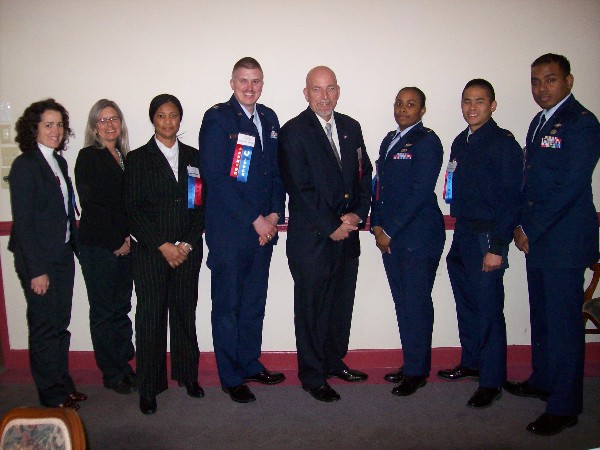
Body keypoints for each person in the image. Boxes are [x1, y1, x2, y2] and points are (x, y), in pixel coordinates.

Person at [507, 53, 600, 435]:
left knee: (563, 326)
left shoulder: (582, 124)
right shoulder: (538, 122)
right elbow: (531, 182)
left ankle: (564, 406)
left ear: (569, 81)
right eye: (535, 81)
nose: (541, 88)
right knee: (542, 318)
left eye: (550, 80)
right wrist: (520, 224)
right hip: (538, 239)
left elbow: (569, 188)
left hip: (562, 241)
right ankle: (544, 380)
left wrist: (532, 228)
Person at [279, 66, 373, 402]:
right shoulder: (293, 131)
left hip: (348, 235)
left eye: (330, 88)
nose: (324, 96)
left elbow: (365, 175)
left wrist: (358, 214)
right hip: (313, 239)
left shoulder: (351, 127)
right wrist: (332, 224)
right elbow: (299, 188)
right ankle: (312, 375)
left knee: (340, 306)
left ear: (338, 90)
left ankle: (334, 362)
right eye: (317, 90)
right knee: (312, 310)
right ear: (306, 93)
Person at [199, 57, 285, 403]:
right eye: (244, 81)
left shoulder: (269, 118)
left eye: (256, 82)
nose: (250, 88)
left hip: (263, 232)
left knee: (253, 303)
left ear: (262, 84)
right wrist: (256, 219)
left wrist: (276, 214)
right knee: (228, 307)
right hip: (230, 233)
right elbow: (217, 178)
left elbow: (276, 172)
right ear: (232, 83)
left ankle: (249, 363)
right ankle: (231, 377)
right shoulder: (218, 118)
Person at [438, 79, 523, 408]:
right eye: (467, 101)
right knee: (467, 304)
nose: (472, 107)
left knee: (488, 309)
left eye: (480, 101)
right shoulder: (461, 141)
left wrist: (497, 247)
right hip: (462, 232)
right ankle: (472, 362)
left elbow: (511, 200)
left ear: (493, 105)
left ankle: (491, 381)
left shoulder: (503, 144)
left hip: (487, 235)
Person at [124, 94, 205, 415]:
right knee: (150, 319)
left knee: (185, 313)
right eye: (161, 116)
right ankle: (149, 387)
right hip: (151, 253)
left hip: (186, 251)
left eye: (173, 116)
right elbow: (133, 210)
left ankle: (188, 376)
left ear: (180, 119)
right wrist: (163, 245)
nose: (168, 121)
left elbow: (198, 204)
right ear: (153, 119)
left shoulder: (193, 157)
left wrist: (185, 244)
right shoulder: (138, 158)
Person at [8, 99, 86, 410]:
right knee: (43, 327)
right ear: (34, 129)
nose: (56, 131)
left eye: (59, 125)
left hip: (62, 254)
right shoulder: (26, 165)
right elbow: (24, 224)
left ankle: (62, 383)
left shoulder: (58, 161)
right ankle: (52, 395)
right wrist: (36, 270)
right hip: (38, 260)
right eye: (48, 125)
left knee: (60, 324)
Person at [371, 87, 445, 396]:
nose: (403, 109)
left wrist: (390, 230)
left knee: (415, 303)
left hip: (418, 236)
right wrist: (376, 224)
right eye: (399, 103)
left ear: (422, 110)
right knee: (404, 304)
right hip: (391, 236)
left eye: (411, 104)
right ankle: (411, 361)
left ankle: (417, 372)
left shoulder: (428, 142)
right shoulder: (390, 140)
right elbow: (380, 187)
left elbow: (418, 193)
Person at [75, 99, 136, 395]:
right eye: (103, 120)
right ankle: (112, 373)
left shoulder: (124, 157)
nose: (110, 124)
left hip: (125, 245)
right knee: (104, 310)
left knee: (121, 308)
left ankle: (124, 365)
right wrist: (117, 242)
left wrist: (128, 240)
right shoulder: (89, 157)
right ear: (93, 126)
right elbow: (94, 205)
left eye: (114, 119)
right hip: (99, 246)